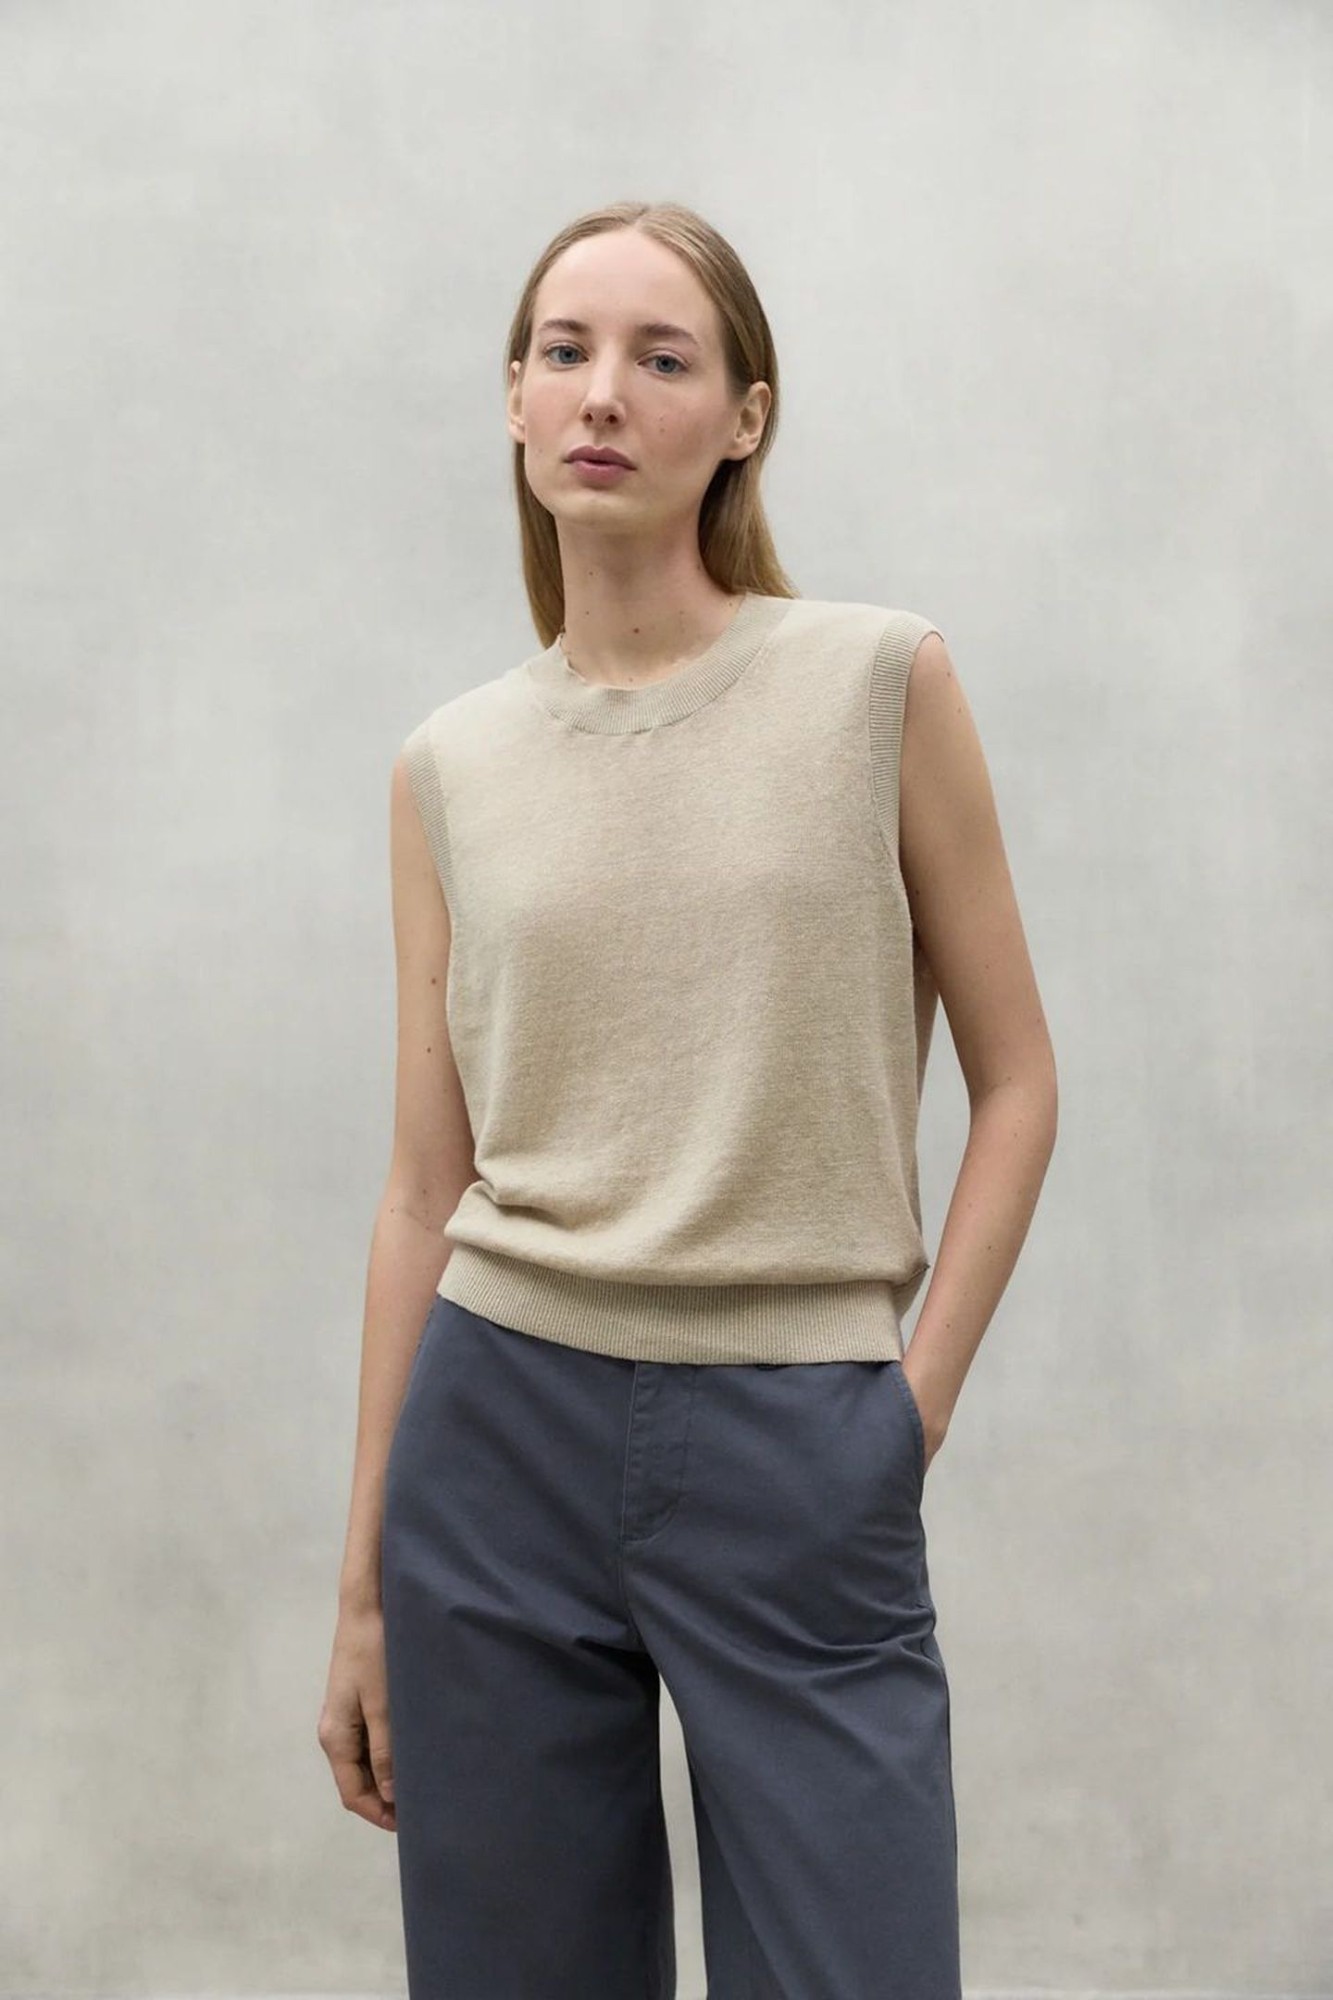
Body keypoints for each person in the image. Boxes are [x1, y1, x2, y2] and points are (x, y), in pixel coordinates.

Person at [318, 200, 1058, 1998]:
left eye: (661, 358)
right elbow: (422, 1189)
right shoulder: (449, 768)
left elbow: (1019, 1080)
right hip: (493, 1438)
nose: (603, 394)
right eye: (564, 351)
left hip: (796, 1436)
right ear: (512, 398)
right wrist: (361, 1590)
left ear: (743, 417)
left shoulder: (875, 683)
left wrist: (901, 1417)